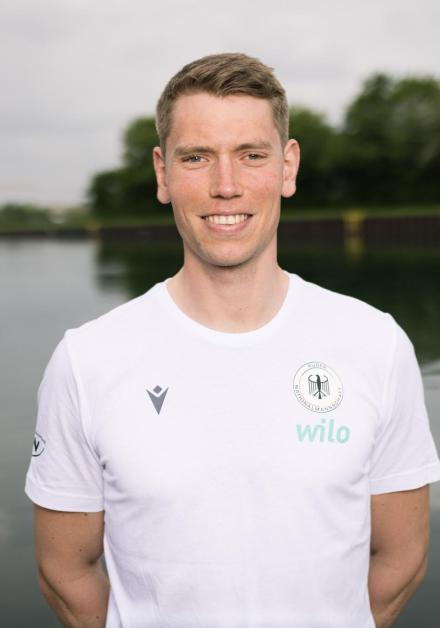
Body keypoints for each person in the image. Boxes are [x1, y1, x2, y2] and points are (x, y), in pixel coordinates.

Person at [25, 52, 440, 628]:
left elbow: (402, 557)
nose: (226, 187)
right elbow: (65, 572)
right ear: (163, 174)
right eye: (197, 157)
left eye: (251, 155)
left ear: (288, 167)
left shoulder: (376, 343)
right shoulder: (86, 359)